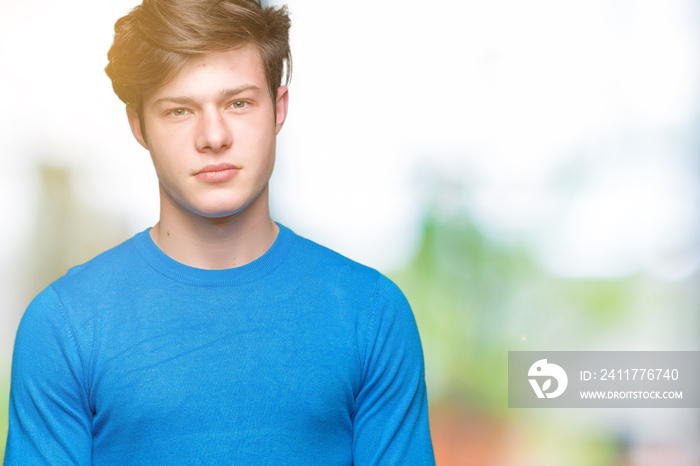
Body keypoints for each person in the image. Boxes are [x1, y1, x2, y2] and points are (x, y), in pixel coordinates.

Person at [4, 0, 435, 463]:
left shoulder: (370, 313)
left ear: (279, 107)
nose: (213, 136)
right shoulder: (64, 324)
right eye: (179, 111)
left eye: (239, 103)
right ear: (138, 124)